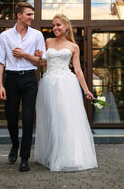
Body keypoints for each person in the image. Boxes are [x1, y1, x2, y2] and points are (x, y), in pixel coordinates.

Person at [20, 14, 98, 171]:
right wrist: (35, 57)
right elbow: (42, 63)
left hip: (66, 85)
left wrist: (86, 90)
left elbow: (78, 70)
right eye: (53, 25)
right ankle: (51, 154)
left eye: (58, 25)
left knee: (65, 118)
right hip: (48, 83)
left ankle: (67, 156)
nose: (55, 28)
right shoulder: (47, 42)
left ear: (66, 26)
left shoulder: (73, 47)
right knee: (50, 119)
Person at [0, 2, 46, 172]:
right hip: (11, 79)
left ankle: (25, 158)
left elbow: (42, 62)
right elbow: (0, 61)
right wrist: (1, 84)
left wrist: (26, 55)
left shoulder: (37, 35)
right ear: (19, 15)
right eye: (29, 14)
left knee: (28, 117)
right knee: (11, 118)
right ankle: (15, 145)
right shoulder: (5, 36)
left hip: (30, 78)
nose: (32, 17)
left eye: (32, 14)